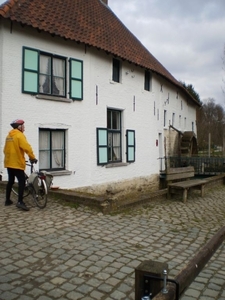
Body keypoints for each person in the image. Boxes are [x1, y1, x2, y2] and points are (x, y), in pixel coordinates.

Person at [3, 119, 37, 211]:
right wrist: (32, 157)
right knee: (21, 182)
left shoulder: (9, 136)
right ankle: (20, 202)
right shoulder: (19, 135)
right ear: (19, 127)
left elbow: (5, 150)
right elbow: (27, 148)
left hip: (9, 162)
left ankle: (7, 200)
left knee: (10, 181)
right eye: (23, 127)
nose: (24, 128)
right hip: (17, 163)